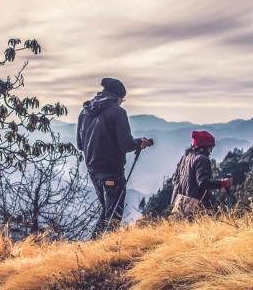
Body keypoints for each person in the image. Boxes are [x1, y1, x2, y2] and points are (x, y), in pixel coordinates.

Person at [77, 78, 152, 237]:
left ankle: (93, 248)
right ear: (118, 96)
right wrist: (140, 143)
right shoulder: (118, 112)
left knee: (107, 211)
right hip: (112, 171)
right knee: (114, 215)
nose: (122, 102)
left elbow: (79, 144)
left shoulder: (85, 111)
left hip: (93, 170)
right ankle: (107, 251)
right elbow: (126, 145)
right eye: (122, 99)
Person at [170, 131, 233, 218]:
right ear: (204, 147)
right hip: (196, 208)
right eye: (210, 148)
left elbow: (175, 179)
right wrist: (223, 183)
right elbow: (203, 183)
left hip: (179, 206)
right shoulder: (202, 159)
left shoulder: (185, 157)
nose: (210, 152)